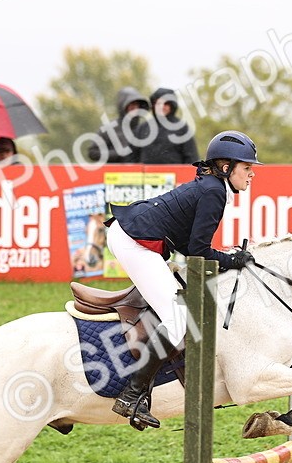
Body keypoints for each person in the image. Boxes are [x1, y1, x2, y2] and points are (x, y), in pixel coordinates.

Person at [105, 130, 261, 430]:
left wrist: (228, 259)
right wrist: (232, 260)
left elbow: (192, 247)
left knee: (178, 306)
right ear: (226, 167)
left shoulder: (214, 187)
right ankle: (132, 396)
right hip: (133, 241)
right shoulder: (214, 192)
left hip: (133, 236)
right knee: (177, 317)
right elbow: (198, 252)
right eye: (247, 167)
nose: (252, 174)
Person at [86, 87, 151, 164]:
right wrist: (118, 154)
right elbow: (93, 153)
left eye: (137, 105)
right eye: (131, 105)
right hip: (114, 174)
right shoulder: (109, 128)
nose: (135, 108)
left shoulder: (144, 129)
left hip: (137, 174)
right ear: (123, 106)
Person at [142, 87, 200, 165]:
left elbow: (192, 158)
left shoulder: (182, 128)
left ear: (172, 106)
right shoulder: (143, 128)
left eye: (166, 103)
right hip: (146, 175)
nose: (162, 107)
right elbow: (133, 157)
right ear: (153, 105)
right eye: (158, 103)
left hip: (175, 176)